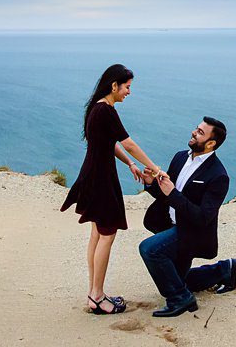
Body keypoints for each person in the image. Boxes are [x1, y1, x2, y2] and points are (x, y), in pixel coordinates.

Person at [60, 64, 161, 315]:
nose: (129, 91)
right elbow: (128, 143)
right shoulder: (106, 111)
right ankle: (97, 296)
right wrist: (155, 168)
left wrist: (130, 164)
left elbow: (110, 143)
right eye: (127, 87)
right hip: (101, 179)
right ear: (114, 85)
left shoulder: (96, 108)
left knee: (97, 233)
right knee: (107, 234)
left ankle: (94, 292)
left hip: (94, 176)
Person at [139, 116, 236, 317]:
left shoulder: (218, 175)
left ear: (211, 143)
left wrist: (172, 193)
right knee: (179, 279)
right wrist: (150, 184)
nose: (193, 133)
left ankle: (181, 299)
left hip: (192, 232)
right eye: (196, 129)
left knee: (149, 249)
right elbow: (167, 193)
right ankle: (227, 269)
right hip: (169, 225)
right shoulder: (180, 157)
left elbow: (202, 218)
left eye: (200, 133)